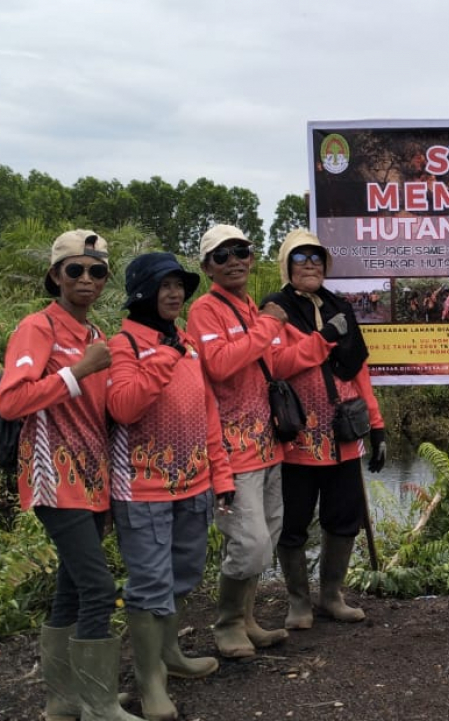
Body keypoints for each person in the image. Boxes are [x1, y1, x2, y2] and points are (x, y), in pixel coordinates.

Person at [0, 230, 143, 720]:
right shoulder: (37, 328)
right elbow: (11, 399)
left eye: (97, 270)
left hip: (95, 479)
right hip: (52, 479)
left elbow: (107, 413)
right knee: (100, 589)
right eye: (75, 270)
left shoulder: (96, 337)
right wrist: (77, 372)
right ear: (55, 276)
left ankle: (65, 700)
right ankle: (100, 705)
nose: (87, 279)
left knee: (73, 586)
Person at [187, 224, 331, 658]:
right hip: (231, 450)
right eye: (221, 255)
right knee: (247, 545)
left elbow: (274, 365)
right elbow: (218, 365)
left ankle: (247, 618)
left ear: (252, 257)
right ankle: (227, 622)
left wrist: (322, 344)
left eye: (241, 251)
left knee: (267, 536)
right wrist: (268, 323)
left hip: (269, 444)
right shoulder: (205, 311)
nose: (233, 260)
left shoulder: (252, 308)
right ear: (207, 266)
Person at [108, 253, 235, 720]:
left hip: (194, 486)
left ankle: (171, 657)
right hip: (142, 491)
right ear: (141, 290)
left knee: (184, 575)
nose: (175, 293)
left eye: (180, 285)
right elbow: (123, 407)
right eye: (164, 285)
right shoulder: (123, 344)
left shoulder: (186, 342)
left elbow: (207, 416)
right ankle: (150, 685)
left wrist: (221, 476)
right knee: (148, 586)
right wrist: (163, 356)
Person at [266, 230, 387, 630]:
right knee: (294, 520)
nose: (310, 264)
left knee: (343, 516)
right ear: (287, 264)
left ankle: (332, 595)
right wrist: (324, 339)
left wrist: (378, 426)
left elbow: (359, 371)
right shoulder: (275, 310)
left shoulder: (341, 307)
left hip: (344, 434)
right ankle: (298, 602)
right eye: (300, 258)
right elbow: (278, 364)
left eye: (316, 257)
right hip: (297, 435)